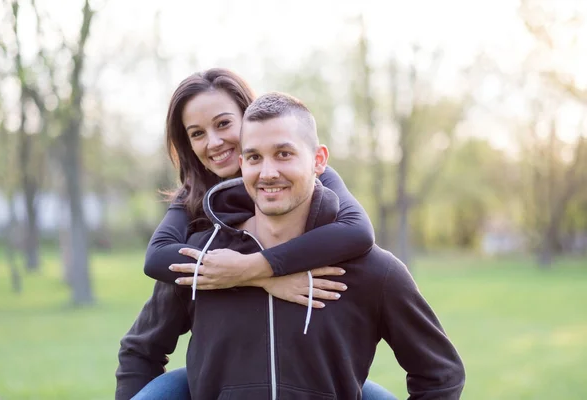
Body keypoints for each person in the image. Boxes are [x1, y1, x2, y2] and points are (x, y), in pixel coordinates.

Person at [116, 92, 465, 399]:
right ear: (241, 163)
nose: (268, 172)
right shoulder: (207, 263)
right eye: (254, 157)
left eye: (284, 154)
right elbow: (140, 352)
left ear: (318, 161)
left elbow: (440, 375)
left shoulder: (374, 270)